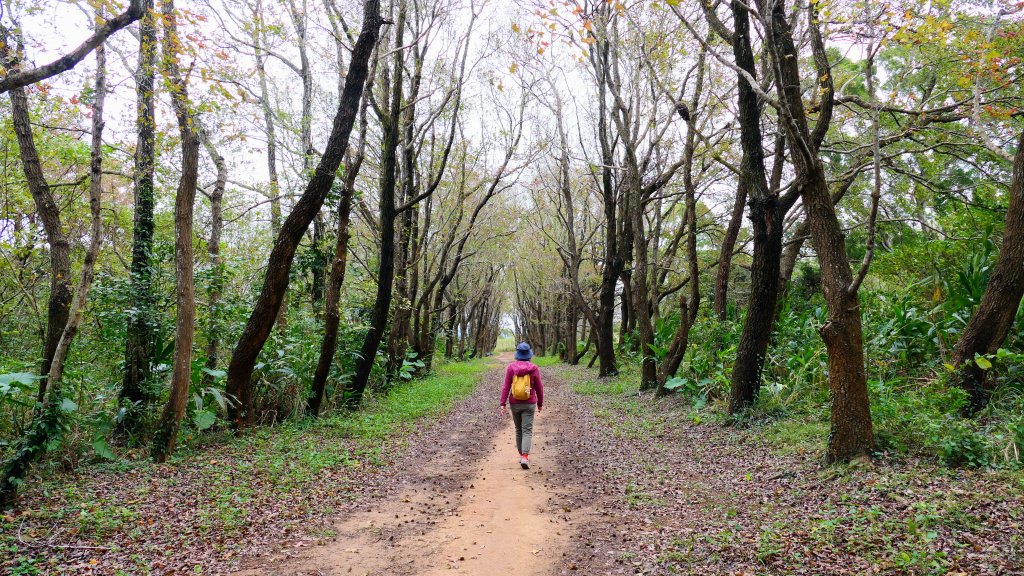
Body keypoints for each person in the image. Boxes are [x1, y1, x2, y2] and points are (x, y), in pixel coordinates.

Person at [500, 342, 544, 469]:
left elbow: (506, 387)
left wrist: (502, 403)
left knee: (518, 429)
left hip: (515, 403)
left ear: (517, 354)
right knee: (527, 430)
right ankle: (525, 456)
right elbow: (539, 387)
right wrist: (540, 403)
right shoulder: (534, 368)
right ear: (529, 354)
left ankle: (521, 455)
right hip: (529, 403)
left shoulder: (511, 368)